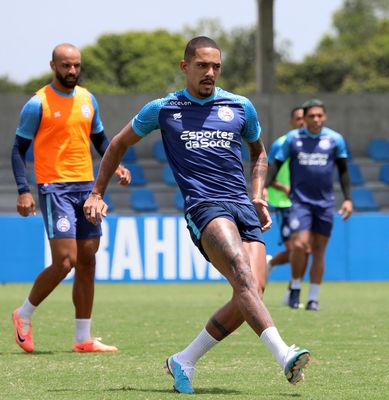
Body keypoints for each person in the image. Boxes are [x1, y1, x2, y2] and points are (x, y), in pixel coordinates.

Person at [82, 36, 310, 394]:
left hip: (242, 205)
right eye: (203, 65)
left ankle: (183, 360)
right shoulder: (163, 109)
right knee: (240, 271)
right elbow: (118, 144)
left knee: (252, 290)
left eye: (216, 66)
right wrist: (97, 192)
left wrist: (258, 195)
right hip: (204, 206)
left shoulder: (240, 107)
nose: (210, 73)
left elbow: (259, 154)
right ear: (185, 66)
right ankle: (283, 354)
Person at [10, 43, 131, 353]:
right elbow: (18, 150)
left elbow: (100, 139)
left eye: (76, 65)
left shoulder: (88, 99)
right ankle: (23, 315)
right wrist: (24, 190)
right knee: (66, 261)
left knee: (87, 261)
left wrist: (114, 164)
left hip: (87, 188)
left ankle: (83, 338)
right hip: (54, 187)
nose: (72, 71)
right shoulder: (37, 103)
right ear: (53, 66)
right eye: (66, 66)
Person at [268, 99, 353, 311]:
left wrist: (348, 199)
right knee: (298, 245)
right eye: (311, 116)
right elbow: (276, 164)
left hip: (325, 204)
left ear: (324, 117)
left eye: (319, 115)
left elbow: (343, 171)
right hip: (299, 202)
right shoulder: (293, 139)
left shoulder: (335, 140)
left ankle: (313, 298)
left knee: (319, 250)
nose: (316, 119)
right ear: (304, 118)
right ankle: (295, 286)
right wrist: (264, 187)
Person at [265, 106, 305, 280]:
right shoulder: (281, 144)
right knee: (294, 249)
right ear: (291, 121)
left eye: (305, 118)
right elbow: (267, 172)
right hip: (284, 202)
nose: (302, 122)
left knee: (305, 249)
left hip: (304, 202)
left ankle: (292, 291)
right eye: (298, 118)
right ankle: (270, 263)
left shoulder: (313, 145)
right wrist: (280, 187)